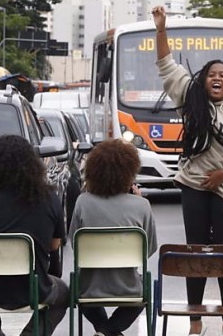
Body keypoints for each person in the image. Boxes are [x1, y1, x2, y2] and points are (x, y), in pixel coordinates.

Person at [152, 5, 223, 336]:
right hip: (193, 187)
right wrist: (161, 28)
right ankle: (195, 318)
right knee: (195, 251)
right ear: (204, 81)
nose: (216, 79)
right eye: (211, 74)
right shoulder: (191, 99)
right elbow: (166, 65)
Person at [0, 135, 69, 336]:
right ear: (33, 164)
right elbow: (54, 245)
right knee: (63, 292)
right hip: (34, 287)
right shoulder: (49, 198)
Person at [68, 139, 158, 336]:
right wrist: (139, 199)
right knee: (145, 291)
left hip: (89, 288)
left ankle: (104, 330)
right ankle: (109, 332)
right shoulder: (141, 206)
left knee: (80, 293)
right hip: (128, 287)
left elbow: (75, 244)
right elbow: (149, 249)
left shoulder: (83, 202)